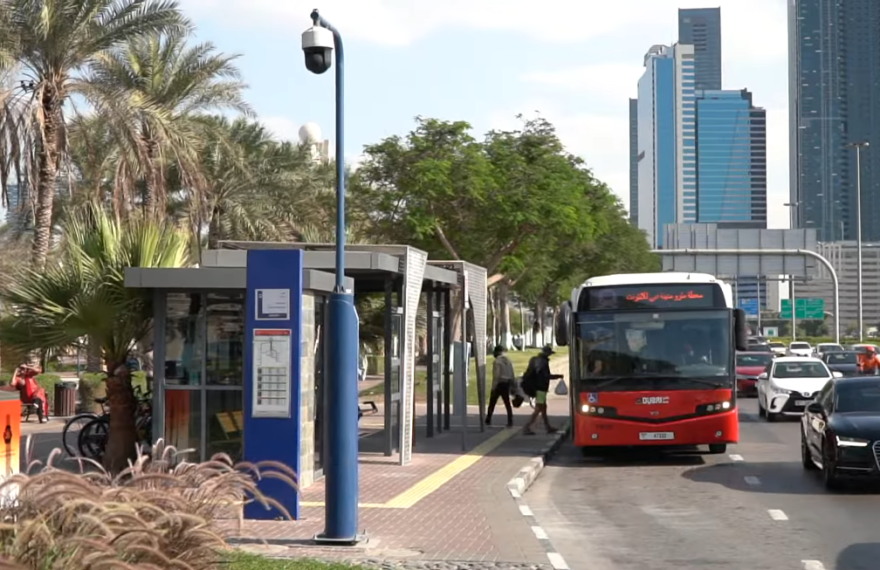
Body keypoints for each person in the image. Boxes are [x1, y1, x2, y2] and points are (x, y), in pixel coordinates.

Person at [523, 345, 563, 435]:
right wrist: (558, 376)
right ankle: (527, 427)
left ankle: (548, 427)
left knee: (543, 408)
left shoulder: (534, 360)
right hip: (540, 388)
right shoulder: (543, 362)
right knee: (539, 408)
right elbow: (545, 376)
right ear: (547, 353)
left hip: (535, 387)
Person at [486, 345, 515, 427]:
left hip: (500, 383)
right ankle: (510, 420)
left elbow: (496, 375)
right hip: (507, 383)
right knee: (507, 402)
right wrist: (513, 384)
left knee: (492, 402)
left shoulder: (497, 361)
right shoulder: (508, 361)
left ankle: (488, 418)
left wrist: (494, 386)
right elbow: (512, 373)